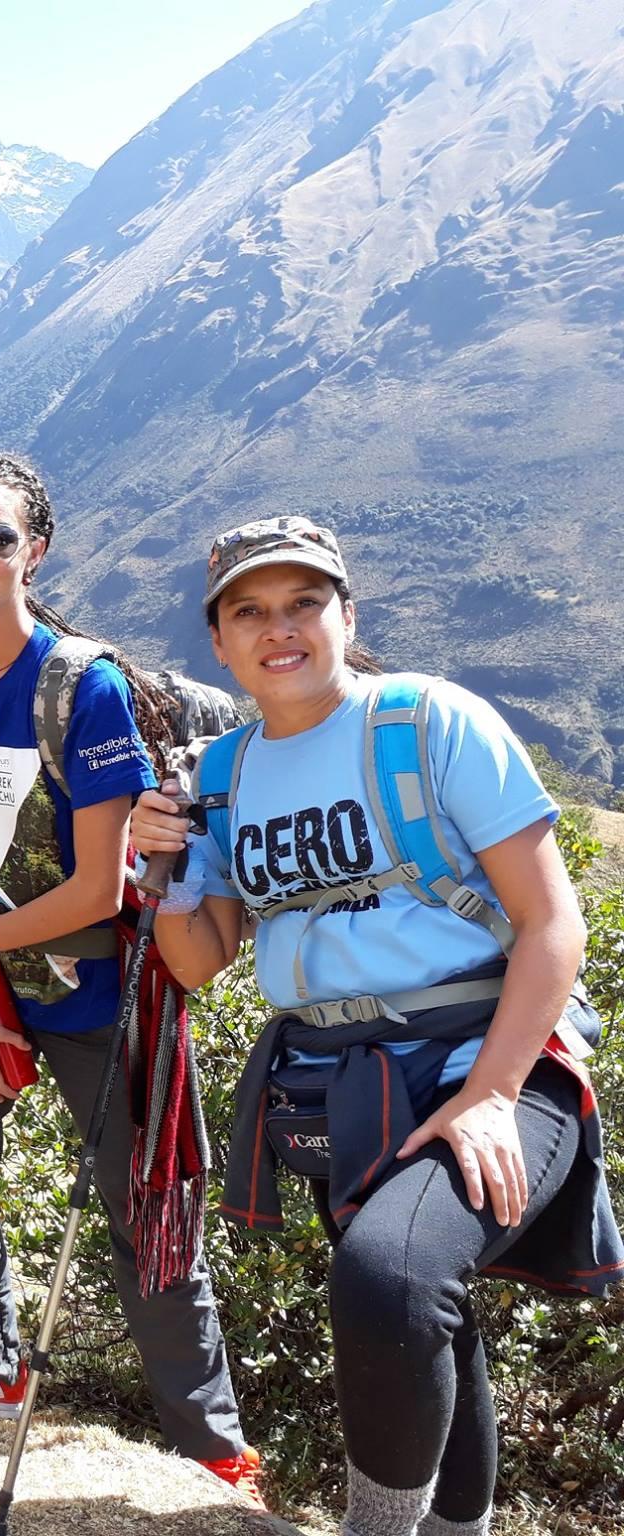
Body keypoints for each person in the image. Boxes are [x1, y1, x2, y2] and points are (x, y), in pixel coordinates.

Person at [130, 516, 619, 1536]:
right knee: (427, 1311)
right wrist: (158, 869)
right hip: (336, 1079)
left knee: (387, 1280)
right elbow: (196, 962)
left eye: (303, 602)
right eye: (247, 611)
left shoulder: (425, 722)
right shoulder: (217, 776)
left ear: (345, 617)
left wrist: (487, 1097)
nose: (279, 629)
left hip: (494, 1058)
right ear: (216, 644)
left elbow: (548, 922)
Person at [0, 452, 259, 1493]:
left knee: (147, 1214)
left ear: (33, 552)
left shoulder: (80, 689)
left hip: (99, 997)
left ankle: (212, 1450)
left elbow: (99, 888)